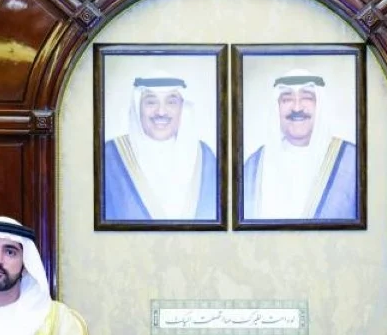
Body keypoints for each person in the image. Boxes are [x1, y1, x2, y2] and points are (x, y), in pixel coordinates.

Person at [242, 69, 358, 221]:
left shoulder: (351, 161)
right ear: (276, 107)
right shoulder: (254, 166)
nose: (297, 108)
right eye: (287, 99)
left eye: (307, 98)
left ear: (320, 105)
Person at [102, 74, 219, 221]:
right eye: (151, 102)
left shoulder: (204, 157)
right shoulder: (110, 156)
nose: (161, 112)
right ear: (138, 107)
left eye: (171, 102)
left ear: (183, 108)